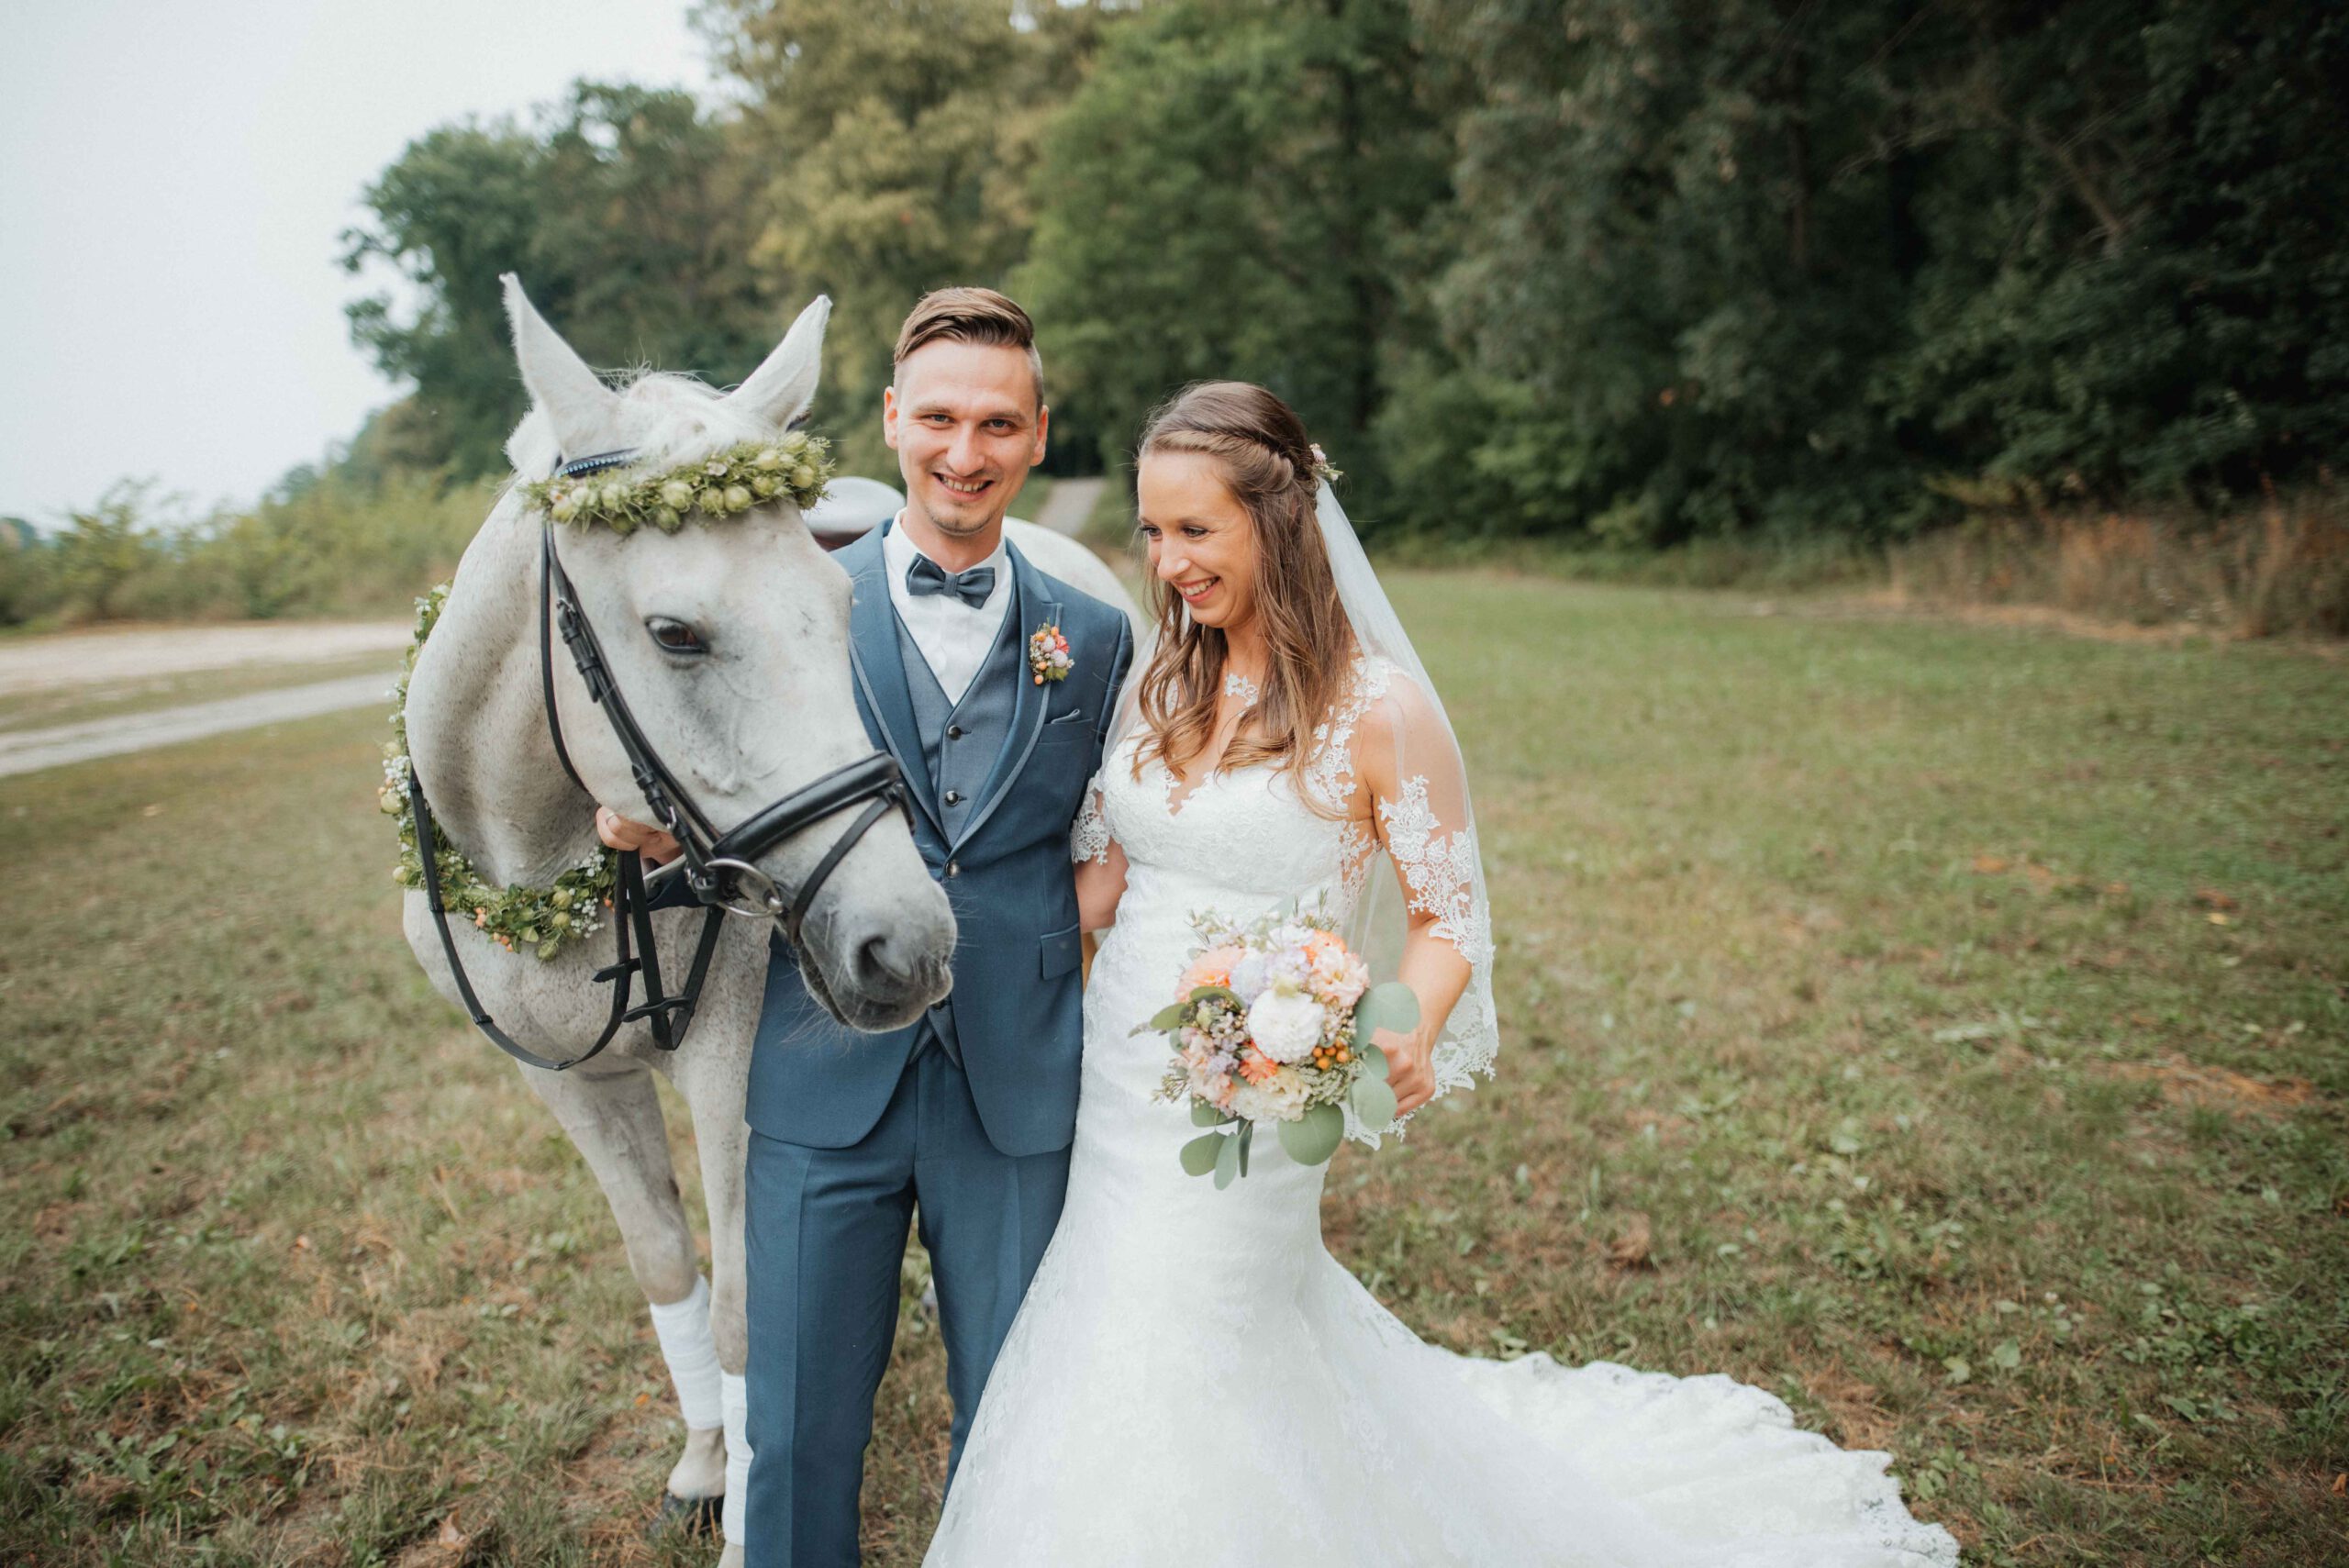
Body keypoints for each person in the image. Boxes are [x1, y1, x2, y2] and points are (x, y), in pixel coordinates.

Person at [918, 382, 1961, 1567]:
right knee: (1107, 1320)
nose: (1167, 563)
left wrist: (1403, 1025)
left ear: (1278, 520)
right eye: (1152, 531)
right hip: (1113, 1086)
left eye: (1195, 530)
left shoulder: (1380, 711)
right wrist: (946, 929)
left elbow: (1448, 918)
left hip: (1253, 1100)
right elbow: (1099, 887)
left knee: (1188, 1320)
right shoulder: (1163, 683)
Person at [604, 288, 1134, 1568]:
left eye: (998, 423)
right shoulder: (790, 606)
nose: (966, 450)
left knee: (1017, 1417)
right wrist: (664, 840)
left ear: (1039, 434)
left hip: (1015, 1083)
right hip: (820, 1070)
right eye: (939, 416)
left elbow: (1115, 837)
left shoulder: (1097, 637)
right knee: (795, 1431)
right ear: (892, 418)